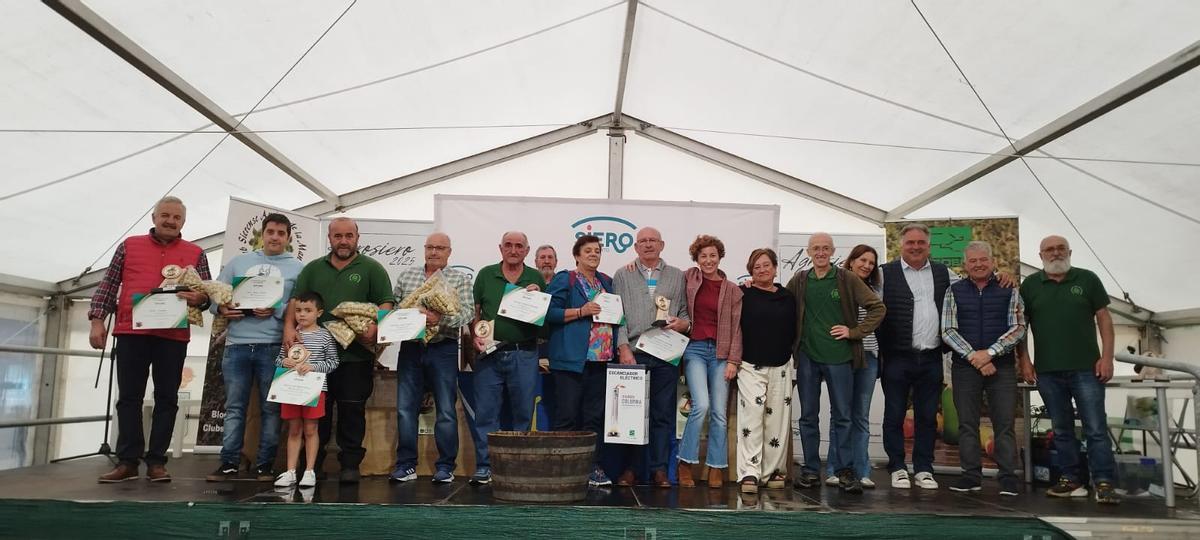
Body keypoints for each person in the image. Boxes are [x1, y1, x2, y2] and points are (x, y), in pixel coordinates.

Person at [89, 196, 211, 483]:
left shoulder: (196, 252)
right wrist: (97, 320)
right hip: (131, 332)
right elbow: (109, 284)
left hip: (173, 335)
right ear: (154, 218)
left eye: (176, 217)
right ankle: (128, 461)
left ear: (183, 222)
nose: (170, 221)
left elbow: (207, 293)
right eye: (165, 215)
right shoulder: (129, 246)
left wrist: (200, 298)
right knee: (128, 398)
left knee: (167, 398)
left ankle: (157, 461)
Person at [285, 217, 394, 483]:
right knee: (314, 413)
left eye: (349, 236)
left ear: (357, 237)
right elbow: (295, 301)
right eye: (338, 236)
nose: (343, 241)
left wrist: (376, 328)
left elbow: (386, 303)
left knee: (352, 412)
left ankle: (350, 465)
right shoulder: (313, 269)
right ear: (329, 238)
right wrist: (288, 328)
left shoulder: (372, 268)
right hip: (313, 357)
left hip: (355, 356)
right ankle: (311, 466)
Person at [1018, 235, 1119, 504]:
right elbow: (1021, 327)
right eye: (1049, 250)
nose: (1055, 253)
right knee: (1061, 429)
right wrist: (1024, 360)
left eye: (1060, 248)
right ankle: (1071, 479)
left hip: (1087, 370)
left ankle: (1104, 482)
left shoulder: (1087, 279)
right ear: (1040, 256)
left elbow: (1105, 320)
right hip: (1048, 371)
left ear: (1069, 252)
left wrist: (1107, 358)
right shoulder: (1030, 285)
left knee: (1095, 428)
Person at [206, 213, 304, 483]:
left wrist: (276, 309)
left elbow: (300, 308)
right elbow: (214, 296)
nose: (275, 237)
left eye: (281, 233)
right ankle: (228, 463)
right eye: (270, 232)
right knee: (234, 407)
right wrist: (222, 308)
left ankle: (264, 465)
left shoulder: (298, 268)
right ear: (262, 234)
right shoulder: (238, 263)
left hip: (272, 346)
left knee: (270, 409)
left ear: (288, 238)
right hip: (236, 345)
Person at [788, 233, 885, 494]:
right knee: (808, 417)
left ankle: (844, 472)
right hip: (808, 357)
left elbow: (877, 308)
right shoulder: (800, 280)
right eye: (816, 248)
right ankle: (810, 471)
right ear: (808, 252)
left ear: (832, 252)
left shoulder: (846, 278)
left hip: (840, 357)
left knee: (843, 416)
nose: (820, 252)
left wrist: (854, 332)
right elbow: (782, 303)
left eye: (825, 248)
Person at [389, 233, 474, 484]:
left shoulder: (459, 280)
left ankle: (446, 466)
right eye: (430, 247)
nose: (434, 252)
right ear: (425, 249)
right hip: (411, 348)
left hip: (443, 348)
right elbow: (393, 309)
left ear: (449, 252)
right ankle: (406, 465)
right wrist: (402, 318)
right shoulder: (407, 276)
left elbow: (468, 314)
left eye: (440, 248)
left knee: (446, 410)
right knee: (405, 409)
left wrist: (441, 318)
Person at [941, 241, 1025, 496]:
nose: (978, 264)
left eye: (983, 260)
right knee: (967, 424)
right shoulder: (953, 291)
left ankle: (1008, 477)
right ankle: (970, 476)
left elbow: (1018, 327)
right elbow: (948, 330)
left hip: (1002, 368)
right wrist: (974, 357)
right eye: (973, 261)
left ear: (992, 261)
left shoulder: (1009, 289)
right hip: (965, 368)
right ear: (965, 265)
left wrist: (989, 354)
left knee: (1004, 424)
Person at [876, 223, 953, 490]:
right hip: (896, 357)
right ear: (901, 245)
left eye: (921, 242)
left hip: (931, 357)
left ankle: (924, 469)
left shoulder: (944, 272)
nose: (916, 247)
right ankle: (897, 466)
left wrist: (1001, 276)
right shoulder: (884, 273)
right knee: (894, 414)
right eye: (911, 242)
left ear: (929, 246)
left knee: (927, 417)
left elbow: (972, 284)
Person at [612, 227, 690, 487]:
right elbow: (617, 316)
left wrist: (683, 324)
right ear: (635, 247)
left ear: (662, 244)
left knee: (662, 415)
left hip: (666, 354)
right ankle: (631, 470)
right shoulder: (622, 275)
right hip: (634, 353)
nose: (648, 245)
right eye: (643, 241)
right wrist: (623, 346)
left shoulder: (677, 275)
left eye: (652, 240)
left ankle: (659, 470)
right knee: (630, 415)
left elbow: (684, 313)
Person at [469, 231, 547, 485]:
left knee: (523, 413)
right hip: (489, 354)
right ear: (500, 248)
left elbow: (545, 318)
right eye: (509, 245)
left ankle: (517, 466)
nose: (513, 250)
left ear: (527, 250)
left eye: (519, 246)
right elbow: (475, 312)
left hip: (524, 353)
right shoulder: (485, 274)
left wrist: (537, 296)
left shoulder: (535, 277)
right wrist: (475, 334)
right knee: (486, 414)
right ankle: (485, 466)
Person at [545, 234, 619, 487]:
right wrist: (581, 311)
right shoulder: (565, 278)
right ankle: (561, 469)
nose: (593, 254)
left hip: (601, 360)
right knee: (567, 416)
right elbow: (548, 313)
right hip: (570, 360)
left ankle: (592, 467)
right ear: (577, 255)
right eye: (588, 250)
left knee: (594, 418)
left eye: (597, 250)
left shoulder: (606, 281)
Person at [677, 235, 742, 489]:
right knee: (701, 405)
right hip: (694, 349)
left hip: (721, 354)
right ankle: (685, 463)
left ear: (720, 257)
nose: (708, 260)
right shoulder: (688, 278)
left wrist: (733, 360)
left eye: (712, 255)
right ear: (696, 258)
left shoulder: (732, 289)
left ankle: (716, 465)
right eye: (703, 256)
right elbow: (663, 277)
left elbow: (737, 328)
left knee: (719, 412)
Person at [735, 248, 796, 494]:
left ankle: (774, 471)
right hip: (750, 365)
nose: (762, 270)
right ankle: (750, 472)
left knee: (777, 420)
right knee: (751, 417)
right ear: (750, 271)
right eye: (756, 267)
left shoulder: (788, 296)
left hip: (781, 364)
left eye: (766, 265)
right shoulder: (742, 294)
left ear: (775, 267)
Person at [825, 244, 882, 489]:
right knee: (840, 414)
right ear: (851, 261)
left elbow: (878, 316)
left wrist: (856, 332)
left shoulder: (876, 290)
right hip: (843, 355)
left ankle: (861, 470)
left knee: (861, 415)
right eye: (862, 260)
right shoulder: (836, 285)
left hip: (868, 357)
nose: (867, 265)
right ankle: (835, 469)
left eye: (871, 262)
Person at [273, 292, 340, 488]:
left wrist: (313, 367)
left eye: (308, 310)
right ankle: (290, 471)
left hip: (314, 390)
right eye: (298, 310)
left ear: (319, 313)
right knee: (294, 430)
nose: (302, 314)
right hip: (290, 389)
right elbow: (278, 359)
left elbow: (333, 362)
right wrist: (284, 362)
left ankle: (310, 471)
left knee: (311, 430)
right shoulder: (291, 335)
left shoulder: (325, 336)